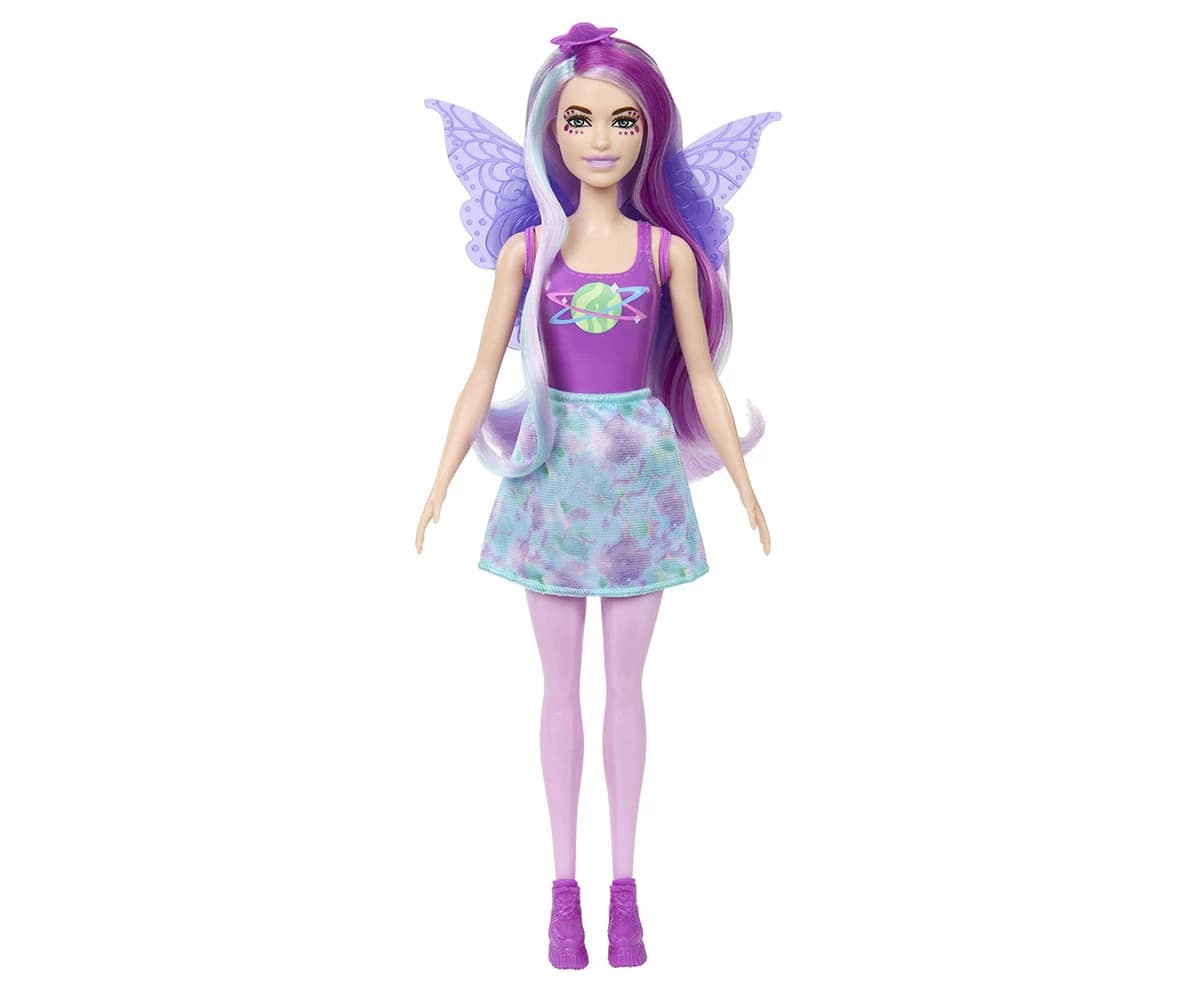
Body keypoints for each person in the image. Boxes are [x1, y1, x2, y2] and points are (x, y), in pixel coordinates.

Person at [416, 22, 779, 969]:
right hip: (550, 474)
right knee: (557, 692)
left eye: (623, 121)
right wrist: (442, 475)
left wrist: (744, 482)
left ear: (649, 131)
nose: (602, 139)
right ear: (553, 129)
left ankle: (626, 891)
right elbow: (481, 371)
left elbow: (702, 377)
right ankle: (561, 891)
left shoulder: (669, 256)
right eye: (580, 120)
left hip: (638, 484)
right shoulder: (527, 252)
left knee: (625, 690)